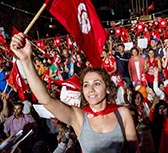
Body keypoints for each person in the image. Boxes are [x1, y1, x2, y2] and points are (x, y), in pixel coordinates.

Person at [10, 32, 139, 152]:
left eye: (97, 83)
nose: (91, 89)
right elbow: (46, 100)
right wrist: (26, 60)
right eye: (86, 85)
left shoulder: (122, 114)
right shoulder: (79, 117)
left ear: (108, 88)